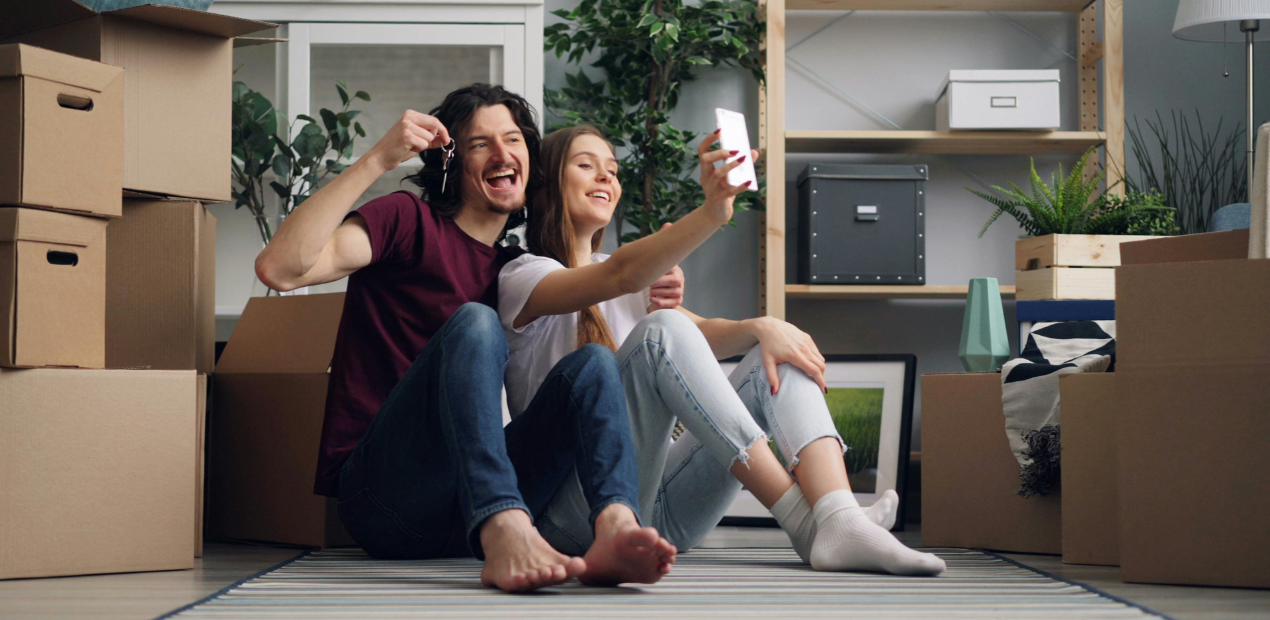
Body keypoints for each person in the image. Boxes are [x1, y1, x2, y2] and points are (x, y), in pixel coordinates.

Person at [254, 85, 679, 593]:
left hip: (464, 508)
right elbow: (280, 269)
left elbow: (611, 280)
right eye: (480, 144)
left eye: (514, 140)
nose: (502, 154)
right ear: (452, 161)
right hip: (385, 501)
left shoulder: (514, 269)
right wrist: (379, 158)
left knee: (593, 363)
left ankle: (613, 527)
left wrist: (661, 293)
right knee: (475, 321)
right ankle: (505, 527)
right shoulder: (406, 220)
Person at [496, 125, 946, 576]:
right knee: (664, 327)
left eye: (612, 171)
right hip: (570, 516)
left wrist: (763, 328)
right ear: (548, 182)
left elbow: (699, 335)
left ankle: (837, 515)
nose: (605, 179)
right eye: (586, 166)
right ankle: (809, 525)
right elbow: (626, 279)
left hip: (660, 512)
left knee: (776, 350)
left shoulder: (624, 281)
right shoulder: (523, 275)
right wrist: (713, 211)